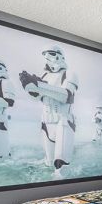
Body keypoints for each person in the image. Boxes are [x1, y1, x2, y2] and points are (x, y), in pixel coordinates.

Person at [19, 45, 78, 177]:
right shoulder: (45, 75)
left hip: (63, 122)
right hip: (46, 124)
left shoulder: (69, 74)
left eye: (51, 53)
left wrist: (38, 85)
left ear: (59, 56)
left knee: (61, 167)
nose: (47, 57)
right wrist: (29, 87)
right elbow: (37, 98)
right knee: (48, 164)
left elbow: (67, 96)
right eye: (46, 54)